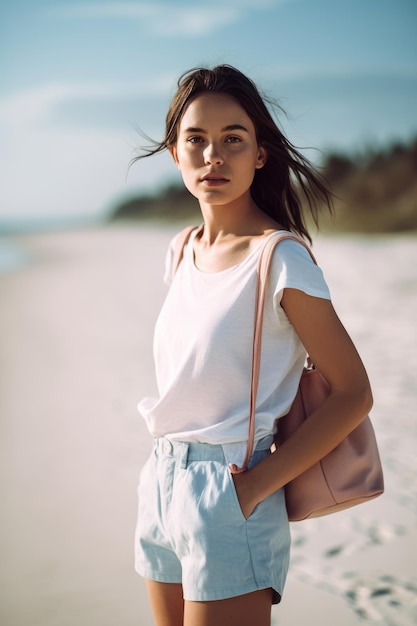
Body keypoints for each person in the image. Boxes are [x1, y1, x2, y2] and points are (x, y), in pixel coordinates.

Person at [132, 65, 373, 626]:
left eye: (233, 139)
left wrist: (255, 487)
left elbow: (353, 392)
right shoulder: (181, 248)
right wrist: (166, 486)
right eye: (197, 139)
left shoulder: (279, 258)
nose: (213, 155)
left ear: (259, 154)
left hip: (232, 486)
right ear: (176, 154)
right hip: (161, 481)